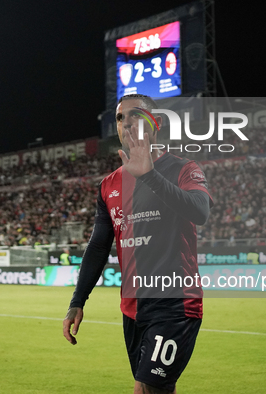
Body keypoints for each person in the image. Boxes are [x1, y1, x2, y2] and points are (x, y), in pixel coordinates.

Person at [63, 94, 212, 394]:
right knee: (152, 389)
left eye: (135, 114)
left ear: (154, 124)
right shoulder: (109, 184)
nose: (126, 121)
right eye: (120, 118)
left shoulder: (183, 168)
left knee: (150, 388)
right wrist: (77, 301)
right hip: (132, 309)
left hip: (174, 303)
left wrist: (151, 177)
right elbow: (97, 246)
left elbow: (200, 211)